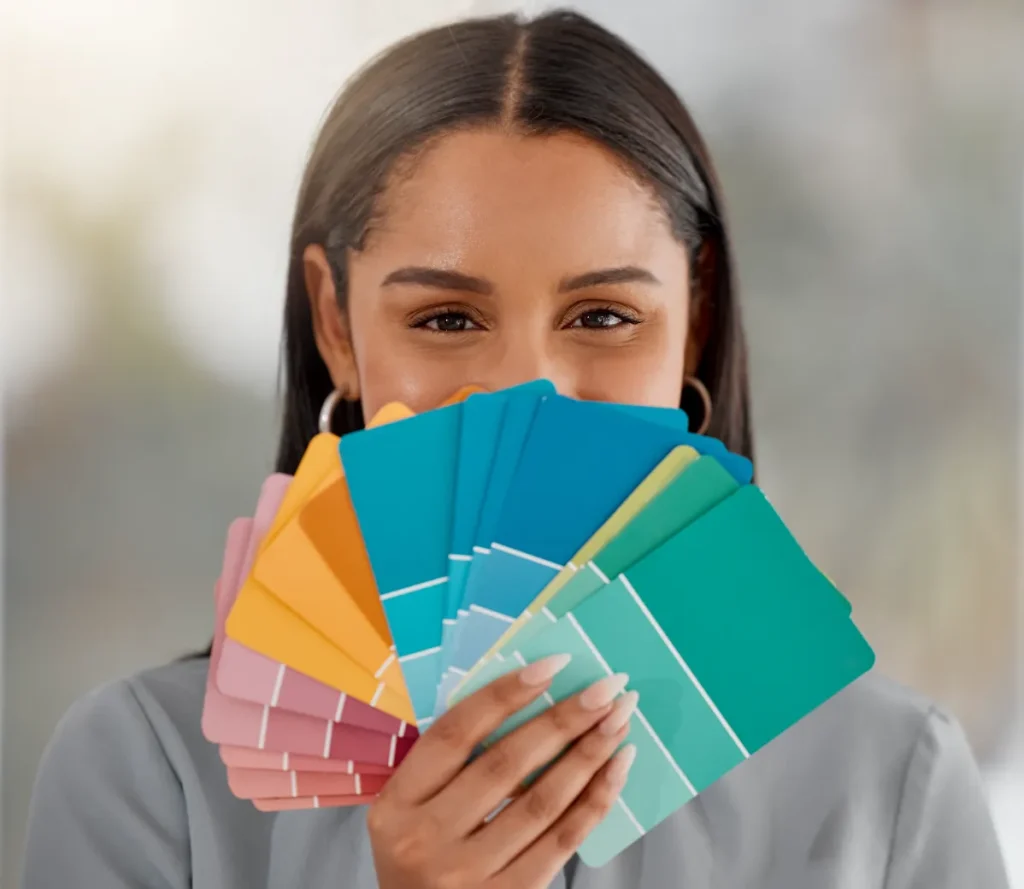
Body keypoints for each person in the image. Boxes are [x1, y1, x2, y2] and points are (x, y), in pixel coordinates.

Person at [20, 9, 1008, 889]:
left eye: (605, 314)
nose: (524, 394)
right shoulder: (145, 772)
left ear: (695, 323)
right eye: (446, 317)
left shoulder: (892, 780)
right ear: (334, 325)